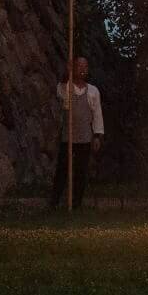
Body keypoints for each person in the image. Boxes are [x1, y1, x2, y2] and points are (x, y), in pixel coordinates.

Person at [54, 55, 104, 210]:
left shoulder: (93, 91)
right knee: (62, 169)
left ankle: (76, 203)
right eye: (79, 66)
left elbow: (97, 114)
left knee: (81, 171)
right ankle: (54, 202)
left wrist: (97, 135)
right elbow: (61, 91)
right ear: (73, 68)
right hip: (67, 137)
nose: (82, 70)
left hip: (84, 137)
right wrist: (66, 72)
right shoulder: (65, 87)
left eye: (85, 67)